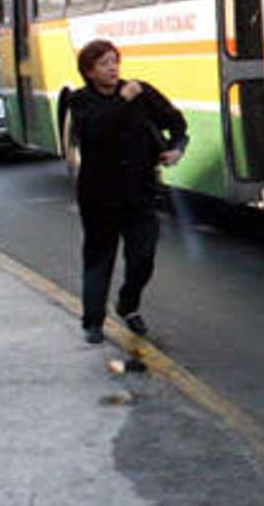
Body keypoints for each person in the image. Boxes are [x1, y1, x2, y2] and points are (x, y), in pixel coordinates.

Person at [68, 39, 188, 345]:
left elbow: (176, 122)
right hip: (99, 195)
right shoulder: (81, 101)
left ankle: (128, 304)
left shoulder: (140, 91)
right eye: (104, 63)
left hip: (140, 192)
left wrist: (177, 148)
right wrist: (122, 101)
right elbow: (95, 132)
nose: (112, 68)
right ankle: (93, 321)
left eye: (114, 61)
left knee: (143, 256)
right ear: (89, 71)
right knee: (99, 258)